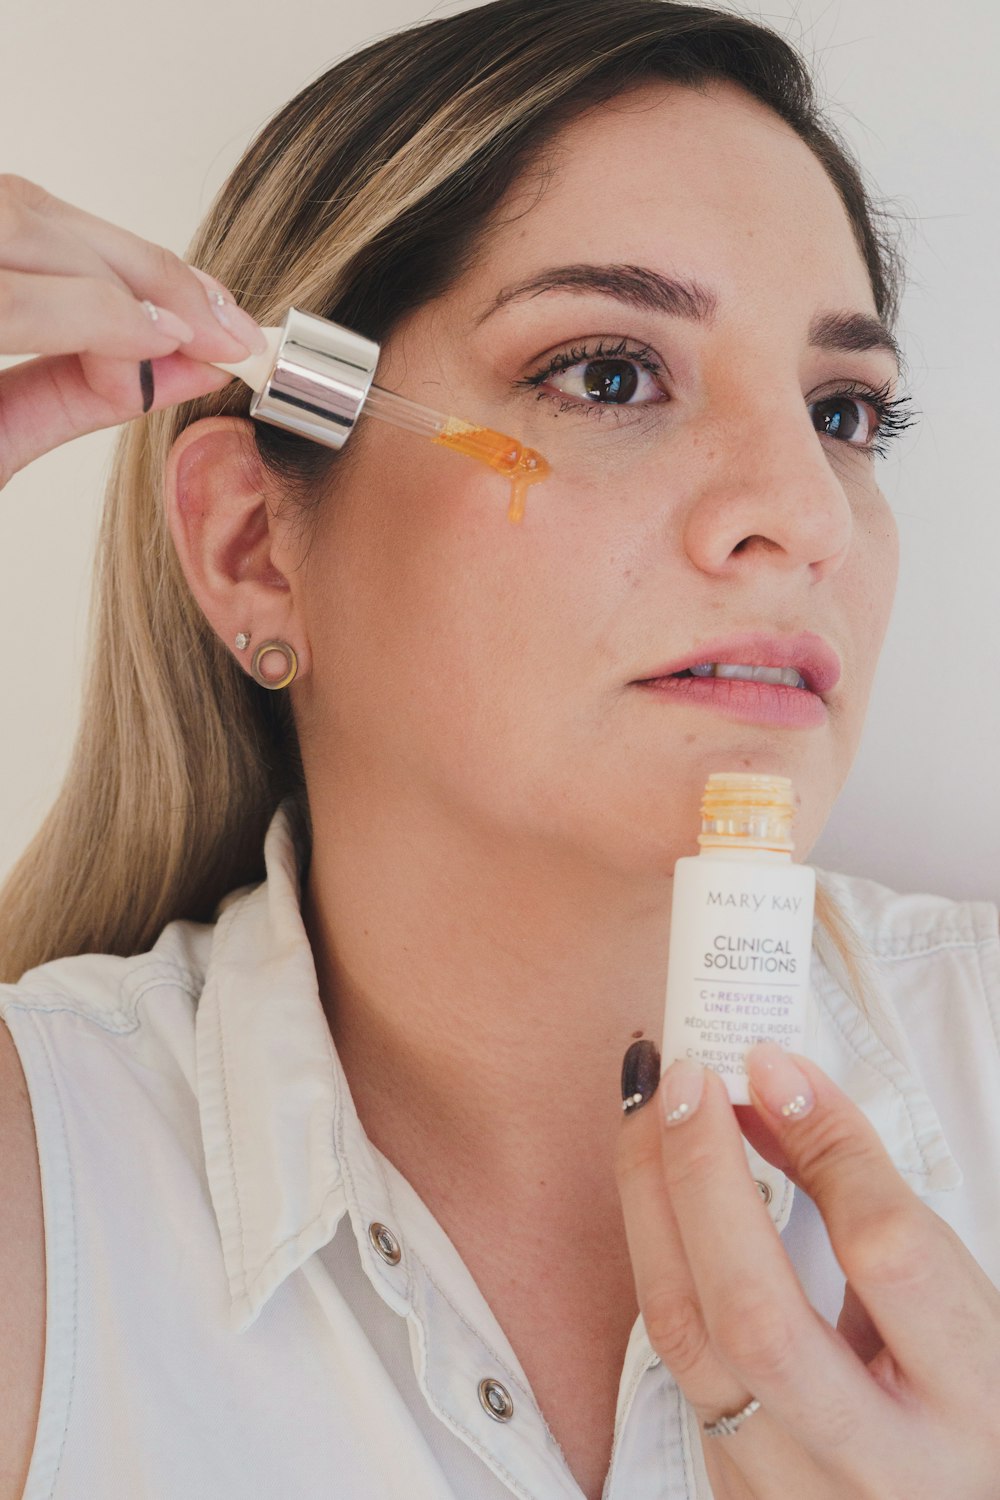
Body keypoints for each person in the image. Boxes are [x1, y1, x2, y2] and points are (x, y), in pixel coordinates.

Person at [1, 1, 998, 1496]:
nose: (802, 511)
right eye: (609, 375)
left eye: (845, 409)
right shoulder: (45, 1199)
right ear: (254, 549)